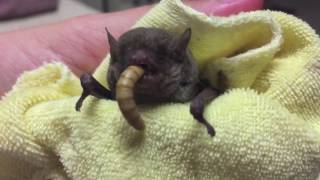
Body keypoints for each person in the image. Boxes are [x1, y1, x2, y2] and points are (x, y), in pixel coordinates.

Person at [0, 0, 263, 95]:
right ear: (114, 60)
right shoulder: (111, 79)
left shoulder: (188, 84)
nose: (138, 60)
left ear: (180, 57)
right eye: (128, 59)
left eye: (158, 56)